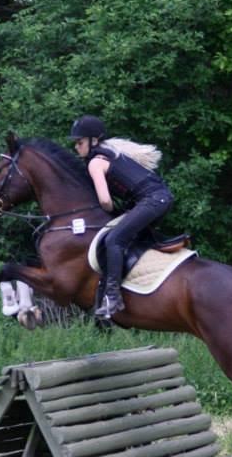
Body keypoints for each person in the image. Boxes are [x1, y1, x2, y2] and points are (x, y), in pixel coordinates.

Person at [70, 115, 174, 319]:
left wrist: (109, 209)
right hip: (160, 198)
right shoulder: (109, 153)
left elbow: (106, 201)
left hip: (152, 201)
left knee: (114, 239)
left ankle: (112, 297)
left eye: (79, 142)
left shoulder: (95, 163)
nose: (76, 147)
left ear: (93, 141)